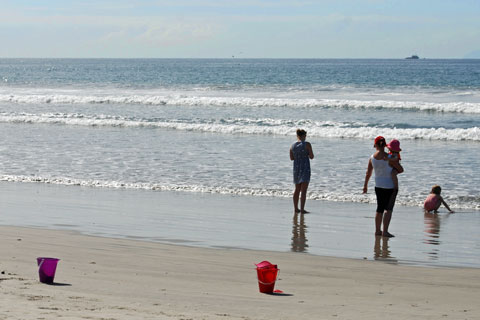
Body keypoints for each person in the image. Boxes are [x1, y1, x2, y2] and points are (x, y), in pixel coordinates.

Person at [363, 136, 404, 237]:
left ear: (375, 145)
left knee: (379, 209)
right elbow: (401, 169)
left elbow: (368, 173)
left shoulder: (372, 158)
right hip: (390, 186)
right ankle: (385, 231)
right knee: (388, 209)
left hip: (378, 185)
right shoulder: (389, 157)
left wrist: (365, 186)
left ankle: (377, 231)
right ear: (385, 145)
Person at [290, 129, 314, 214]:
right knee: (304, 190)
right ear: (304, 136)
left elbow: (291, 158)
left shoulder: (292, 145)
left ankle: (296, 208)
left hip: (296, 168)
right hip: (305, 168)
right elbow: (311, 156)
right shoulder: (307, 144)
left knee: (297, 189)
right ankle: (302, 209)